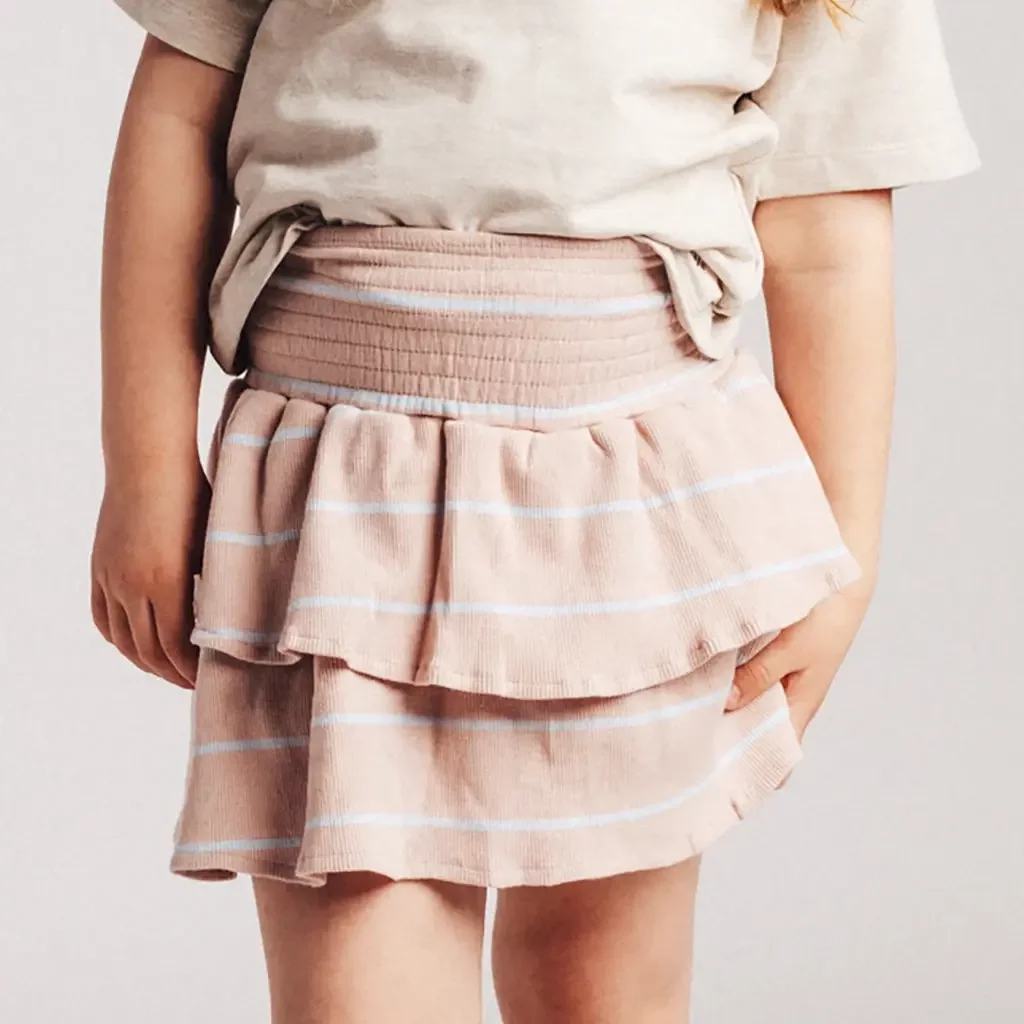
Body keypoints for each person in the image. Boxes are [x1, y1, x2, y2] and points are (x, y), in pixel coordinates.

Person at [92, 1, 978, 1020]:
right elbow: (178, 111)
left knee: (602, 990)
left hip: (633, 508)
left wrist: (845, 556)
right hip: (344, 507)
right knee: (360, 990)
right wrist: (145, 470)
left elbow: (826, 225)